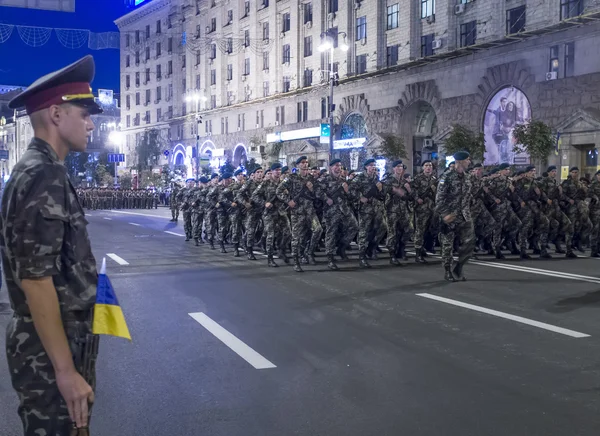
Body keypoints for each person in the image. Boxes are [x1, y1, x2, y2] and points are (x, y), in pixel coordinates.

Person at [1, 55, 101, 435]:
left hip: (57, 343)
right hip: (49, 355)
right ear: (57, 115)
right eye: (84, 113)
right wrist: (64, 370)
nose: (91, 124)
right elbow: (35, 279)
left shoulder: (44, 169)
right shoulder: (42, 173)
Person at [435, 151, 475, 282]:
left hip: (465, 215)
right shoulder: (446, 177)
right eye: (467, 160)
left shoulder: (468, 177)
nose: (469, 162)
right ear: (460, 161)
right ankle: (447, 270)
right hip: (450, 216)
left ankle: (459, 266)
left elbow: (468, 195)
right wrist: (445, 215)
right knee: (448, 245)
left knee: (469, 243)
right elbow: (439, 199)